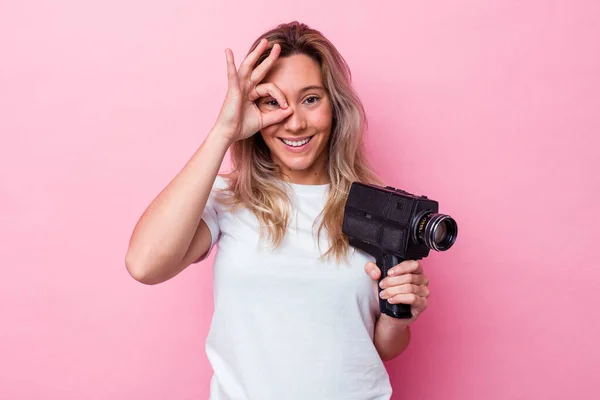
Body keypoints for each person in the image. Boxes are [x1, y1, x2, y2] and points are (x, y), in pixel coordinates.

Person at [125, 21, 431, 400]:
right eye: (273, 102)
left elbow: (382, 348)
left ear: (335, 107)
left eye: (310, 99)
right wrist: (223, 131)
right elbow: (145, 264)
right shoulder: (228, 197)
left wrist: (399, 316)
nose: (295, 122)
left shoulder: (378, 208)